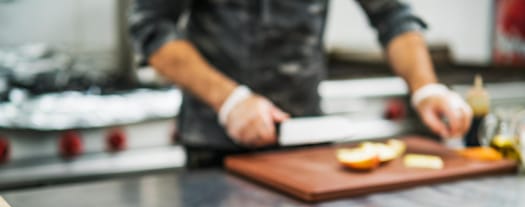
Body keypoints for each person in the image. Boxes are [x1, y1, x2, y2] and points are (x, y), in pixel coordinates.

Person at [129, 0, 472, 166]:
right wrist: (230, 100)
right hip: (215, 145)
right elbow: (152, 30)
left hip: (304, 140)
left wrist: (426, 88)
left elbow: (393, 16)